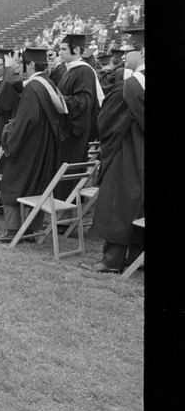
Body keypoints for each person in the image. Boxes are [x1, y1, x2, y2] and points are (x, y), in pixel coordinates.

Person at [82, 28, 144, 273]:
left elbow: (105, 122)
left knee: (120, 202)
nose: (124, 55)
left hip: (127, 154)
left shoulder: (131, 86)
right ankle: (137, 257)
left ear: (142, 52)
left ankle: (112, 260)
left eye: (129, 50)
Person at [0, 48, 68, 242]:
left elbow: (28, 119)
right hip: (43, 146)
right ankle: (31, 230)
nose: (18, 66)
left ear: (31, 64)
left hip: (28, 147)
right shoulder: (47, 83)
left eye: (21, 63)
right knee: (36, 185)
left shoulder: (33, 86)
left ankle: (12, 230)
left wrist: (10, 138)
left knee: (11, 181)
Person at [57, 32, 104, 197]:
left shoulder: (83, 71)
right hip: (67, 129)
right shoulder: (69, 70)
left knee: (71, 167)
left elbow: (83, 103)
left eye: (63, 49)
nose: (60, 52)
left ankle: (67, 209)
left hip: (75, 132)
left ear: (76, 49)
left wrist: (58, 98)